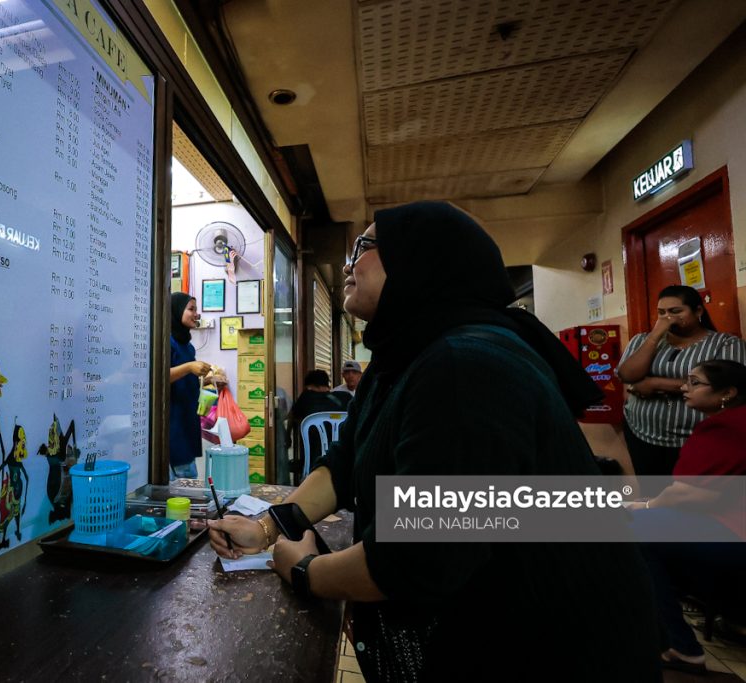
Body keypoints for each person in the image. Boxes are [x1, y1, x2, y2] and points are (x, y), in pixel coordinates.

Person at [208, 201, 660, 682]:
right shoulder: (400, 356)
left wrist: (306, 571)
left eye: (366, 246)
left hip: (552, 649)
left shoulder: (466, 365)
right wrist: (270, 527)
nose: (347, 262)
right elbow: (343, 465)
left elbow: (415, 557)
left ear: (421, 260)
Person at [627, 359, 746, 672]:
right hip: (729, 526)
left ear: (728, 392)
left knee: (629, 530)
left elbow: (691, 495)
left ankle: (678, 645)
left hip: (733, 533)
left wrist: (646, 506)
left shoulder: (725, 427)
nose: (684, 387)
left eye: (695, 382)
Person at [616, 285, 746, 495]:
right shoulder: (642, 340)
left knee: (685, 498)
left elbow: (724, 384)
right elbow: (627, 375)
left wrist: (654, 383)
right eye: (661, 313)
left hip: (693, 437)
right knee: (652, 493)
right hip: (642, 432)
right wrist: (655, 336)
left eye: (676, 311)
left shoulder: (725, 344)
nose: (667, 318)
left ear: (698, 311)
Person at [169, 293, 210, 480]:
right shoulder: (166, 342)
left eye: (196, 309)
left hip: (188, 417)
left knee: (188, 470)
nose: (196, 314)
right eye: (191, 309)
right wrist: (189, 367)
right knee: (184, 478)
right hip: (173, 419)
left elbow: (185, 377)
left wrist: (206, 379)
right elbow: (160, 377)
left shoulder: (187, 345)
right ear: (177, 311)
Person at [287, 370, 351, 480]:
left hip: (314, 466)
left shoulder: (306, 397)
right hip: (344, 464)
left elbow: (293, 418)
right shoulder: (346, 397)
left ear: (310, 386)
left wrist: (287, 436)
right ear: (327, 384)